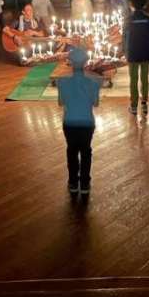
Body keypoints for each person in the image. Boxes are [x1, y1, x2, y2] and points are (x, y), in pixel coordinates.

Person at [57, 47, 101, 195]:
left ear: (70, 62)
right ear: (86, 62)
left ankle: (73, 182)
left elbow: (61, 103)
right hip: (87, 123)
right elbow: (95, 103)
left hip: (69, 123)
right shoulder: (94, 82)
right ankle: (85, 183)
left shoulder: (62, 81)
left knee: (72, 151)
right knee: (86, 151)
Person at [125, 0, 149, 117]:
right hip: (146, 53)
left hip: (133, 53)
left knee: (133, 80)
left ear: (131, 4)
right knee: (145, 79)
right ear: (144, 4)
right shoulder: (148, 19)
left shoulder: (128, 19)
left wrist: (125, 53)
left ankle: (133, 106)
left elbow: (126, 38)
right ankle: (144, 104)